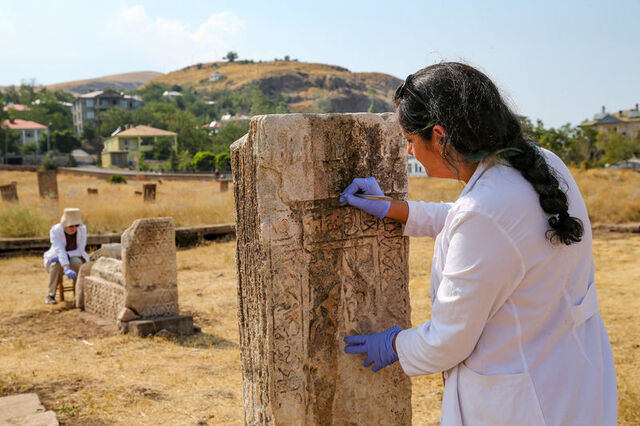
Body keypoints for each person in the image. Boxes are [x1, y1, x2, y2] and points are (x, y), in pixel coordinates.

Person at [340, 62, 616, 425]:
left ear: (439, 136)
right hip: (571, 375)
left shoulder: (486, 211)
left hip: (524, 402)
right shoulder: (542, 163)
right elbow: (495, 229)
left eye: (410, 140)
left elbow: (446, 342)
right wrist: (397, 209)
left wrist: (394, 344)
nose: (408, 151)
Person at [43, 208, 89, 304]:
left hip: (75, 256)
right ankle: (50, 295)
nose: (74, 228)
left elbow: (80, 250)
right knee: (55, 264)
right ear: (65, 224)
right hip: (57, 256)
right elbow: (60, 249)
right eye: (71, 225)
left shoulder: (82, 229)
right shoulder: (55, 230)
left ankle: (80, 293)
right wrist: (66, 267)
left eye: (76, 225)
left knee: (77, 263)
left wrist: (67, 256)